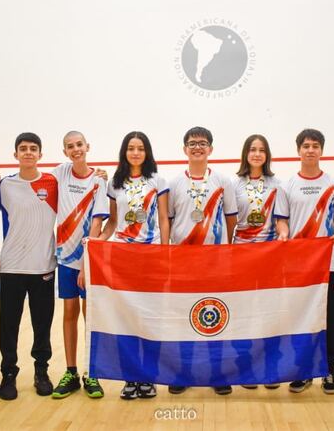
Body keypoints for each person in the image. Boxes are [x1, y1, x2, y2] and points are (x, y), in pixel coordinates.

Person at [275, 129, 334, 394]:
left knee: (330, 318)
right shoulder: (286, 186)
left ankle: (329, 370)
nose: (310, 150)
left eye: (315, 146)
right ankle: (303, 370)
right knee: (300, 318)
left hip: (331, 263)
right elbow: (281, 221)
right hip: (298, 265)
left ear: (321, 150)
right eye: (306, 146)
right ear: (298, 151)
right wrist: (284, 235)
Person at [96, 131, 170, 400]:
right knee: (126, 318)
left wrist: (164, 253)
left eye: (140, 148)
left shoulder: (157, 180)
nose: (136, 153)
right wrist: (96, 241)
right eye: (131, 148)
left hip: (150, 258)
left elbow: (163, 218)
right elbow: (114, 222)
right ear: (124, 152)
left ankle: (148, 378)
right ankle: (130, 377)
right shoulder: (115, 183)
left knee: (149, 318)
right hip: (123, 258)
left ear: (147, 152)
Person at [167, 126, 238, 396]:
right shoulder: (173, 184)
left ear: (211, 149)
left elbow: (231, 219)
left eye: (203, 143)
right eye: (192, 143)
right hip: (183, 261)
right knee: (184, 316)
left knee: (215, 314)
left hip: (215, 261)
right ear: (184, 149)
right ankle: (183, 372)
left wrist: (226, 253)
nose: (198, 147)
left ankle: (217, 372)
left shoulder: (223, 181)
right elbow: (170, 221)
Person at [0, 132, 59, 401]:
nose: (28, 152)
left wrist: (98, 175)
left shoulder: (53, 183)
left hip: (43, 266)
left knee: (42, 325)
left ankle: (41, 371)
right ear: (15, 154)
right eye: (23, 148)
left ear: (40, 154)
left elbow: (81, 187)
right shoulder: (5, 186)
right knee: (9, 325)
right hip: (11, 267)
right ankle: (8, 374)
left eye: (33, 149)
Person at [51, 131, 109, 399]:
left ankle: (92, 372)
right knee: (69, 313)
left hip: (88, 260)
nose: (76, 150)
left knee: (90, 316)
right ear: (65, 151)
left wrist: (88, 260)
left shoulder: (98, 181)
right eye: (70, 147)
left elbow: (97, 223)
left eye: (79, 145)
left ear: (88, 146)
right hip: (64, 258)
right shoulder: (61, 172)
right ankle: (71, 371)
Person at [233, 134, 282, 391]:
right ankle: (246, 367)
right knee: (244, 314)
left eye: (262, 150)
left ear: (267, 155)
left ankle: (270, 366)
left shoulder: (277, 184)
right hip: (242, 257)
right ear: (246, 153)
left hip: (269, 258)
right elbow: (231, 222)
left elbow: (281, 219)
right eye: (252, 149)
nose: (257, 154)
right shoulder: (235, 185)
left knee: (267, 313)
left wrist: (282, 236)